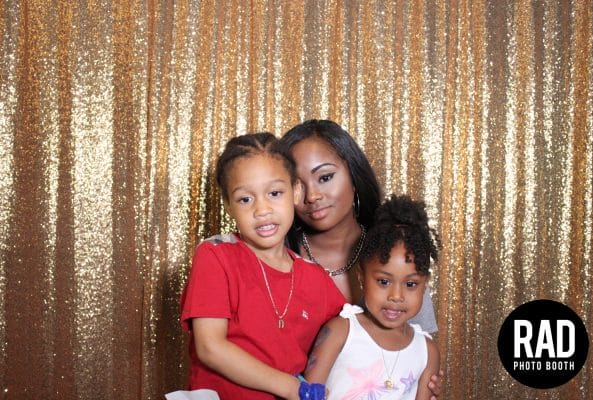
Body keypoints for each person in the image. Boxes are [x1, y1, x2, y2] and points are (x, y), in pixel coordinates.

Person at [279, 119, 443, 397]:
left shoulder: (396, 252)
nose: (313, 196)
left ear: (354, 176)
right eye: (296, 185)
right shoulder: (276, 259)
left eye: (325, 177)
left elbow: (415, 362)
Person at [180, 132, 344, 399]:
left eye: (275, 193)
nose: (262, 210)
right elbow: (210, 347)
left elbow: (351, 330)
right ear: (228, 205)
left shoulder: (314, 277)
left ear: (296, 192)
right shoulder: (216, 255)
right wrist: (293, 388)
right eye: (245, 199)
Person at [303, 194, 441, 400]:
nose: (396, 296)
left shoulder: (427, 352)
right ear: (361, 277)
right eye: (384, 281)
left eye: (410, 284)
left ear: (424, 285)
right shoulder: (341, 331)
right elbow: (307, 394)